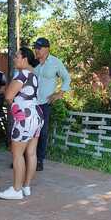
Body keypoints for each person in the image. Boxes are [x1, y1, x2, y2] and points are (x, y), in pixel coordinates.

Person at [0, 47, 44, 200]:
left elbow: (9, 96)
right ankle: (26, 187)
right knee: (31, 153)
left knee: (17, 154)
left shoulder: (22, 74)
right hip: (37, 116)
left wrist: (10, 101)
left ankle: (16, 190)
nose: (14, 59)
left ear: (24, 59)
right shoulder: (33, 75)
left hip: (24, 118)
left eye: (17, 56)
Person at [33, 37, 71, 171]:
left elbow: (67, 78)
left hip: (44, 103)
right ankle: (24, 159)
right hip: (31, 103)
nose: (36, 50)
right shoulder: (34, 63)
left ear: (47, 48)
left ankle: (39, 160)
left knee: (42, 132)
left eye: (39, 48)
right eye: (35, 48)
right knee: (29, 131)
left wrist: (60, 93)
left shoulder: (55, 62)